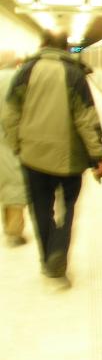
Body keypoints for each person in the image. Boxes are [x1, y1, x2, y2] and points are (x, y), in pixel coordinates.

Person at [1, 33, 102, 280]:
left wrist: (18, 145)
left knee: (41, 210)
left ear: (42, 46)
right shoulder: (74, 74)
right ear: (65, 49)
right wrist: (97, 157)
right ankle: (59, 251)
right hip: (70, 158)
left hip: (33, 158)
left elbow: (10, 115)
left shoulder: (25, 71)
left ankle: (48, 256)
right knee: (67, 208)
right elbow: (86, 120)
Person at [0, 61, 27, 247]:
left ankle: (8, 226)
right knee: (14, 185)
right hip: (10, 140)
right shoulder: (18, 80)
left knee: (5, 186)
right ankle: (14, 232)